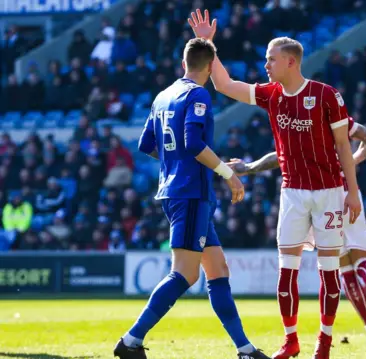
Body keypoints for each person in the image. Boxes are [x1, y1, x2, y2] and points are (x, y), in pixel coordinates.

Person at [188, 10, 362, 359]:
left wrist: (352, 192)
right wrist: (207, 43)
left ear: (291, 61)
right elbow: (224, 85)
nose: (265, 64)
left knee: (329, 272)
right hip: (293, 194)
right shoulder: (271, 95)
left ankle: (324, 342)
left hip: (329, 193)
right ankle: (291, 339)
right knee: (286, 272)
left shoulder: (327, 96)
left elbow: (344, 145)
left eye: (271, 59)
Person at [113, 37, 270, 359]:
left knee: (218, 269)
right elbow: (194, 143)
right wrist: (228, 174)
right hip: (190, 193)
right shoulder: (196, 94)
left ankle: (245, 349)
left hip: (179, 189)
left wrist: (177, 164)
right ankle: (130, 340)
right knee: (184, 274)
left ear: (185, 62)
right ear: (211, 66)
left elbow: (147, 144)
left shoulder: (163, 96)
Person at [227, 118, 366, 342]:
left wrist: (249, 168)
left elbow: (279, 157)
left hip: (324, 195)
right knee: (360, 256)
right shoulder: (340, 119)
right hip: (349, 191)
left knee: (343, 267)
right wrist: (349, 162)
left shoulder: (299, 121)